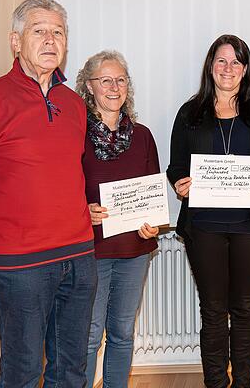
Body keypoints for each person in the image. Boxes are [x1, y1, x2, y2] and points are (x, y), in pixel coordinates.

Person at [0, 0, 96, 386]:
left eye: (59, 32)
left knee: (71, 370)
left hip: (79, 257)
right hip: (19, 267)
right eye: (39, 31)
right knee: (21, 373)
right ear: (15, 41)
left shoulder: (74, 105)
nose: (51, 40)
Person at [166, 34, 250, 388]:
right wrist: (179, 183)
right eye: (221, 60)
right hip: (204, 226)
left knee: (246, 310)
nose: (228, 68)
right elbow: (175, 166)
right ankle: (216, 383)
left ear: (246, 69)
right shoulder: (190, 113)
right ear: (210, 66)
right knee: (213, 312)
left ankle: (244, 383)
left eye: (236, 61)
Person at [76, 50, 160, 387]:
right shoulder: (75, 135)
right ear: (89, 87)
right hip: (91, 250)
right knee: (90, 334)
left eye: (121, 80)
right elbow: (63, 188)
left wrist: (153, 223)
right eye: (106, 80)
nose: (114, 87)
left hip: (134, 249)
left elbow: (152, 189)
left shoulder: (142, 136)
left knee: (123, 332)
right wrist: (84, 211)